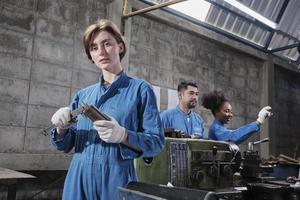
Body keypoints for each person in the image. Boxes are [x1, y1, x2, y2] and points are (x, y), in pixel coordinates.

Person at [50, 19, 165, 200]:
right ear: (90, 55)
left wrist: (123, 136)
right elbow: (66, 144)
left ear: (120, 46)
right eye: (94, 47)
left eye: (107, 44)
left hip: (117, 178)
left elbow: (156, 143)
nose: (101, 52)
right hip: (79, 177)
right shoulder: (83, 95)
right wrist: (61, 128)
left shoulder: (140, 90)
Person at [201, 90, 272, 144]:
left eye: (231, 112)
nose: (231, 115)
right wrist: (258, 122)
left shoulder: (220, 127)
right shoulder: (216, 128)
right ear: (216, 112)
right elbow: (232, 137)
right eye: (226, 111)